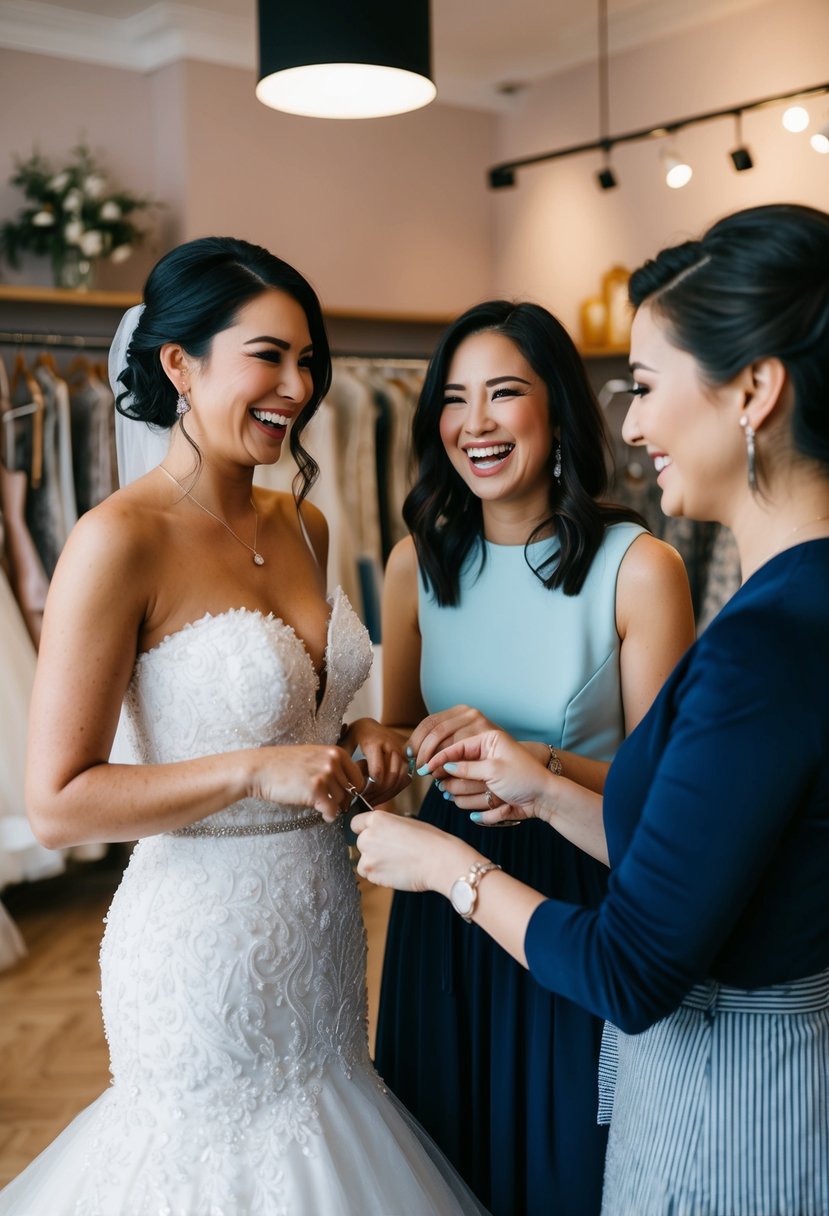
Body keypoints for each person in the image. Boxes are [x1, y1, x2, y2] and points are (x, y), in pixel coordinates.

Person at [354, 203, 829, 1216]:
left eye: (648, 387)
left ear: (752, 389)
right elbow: (695, 839)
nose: (634, 424)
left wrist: (449, 866)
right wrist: (532, 776)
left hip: (733, 1110)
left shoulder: (760, 637)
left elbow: (632, 964)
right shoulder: (785, 608)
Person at [0, 236, 489, 1216]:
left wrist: (362, 745)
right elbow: (56, 804)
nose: (299, 387)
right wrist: (252, 771)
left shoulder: (302, 522)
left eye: (309, 361)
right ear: (178, 362)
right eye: (269, 355)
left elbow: (315, 717)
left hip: (320, 932)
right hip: (196, 950)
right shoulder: (117, 541)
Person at [373, 300, 695, 1215]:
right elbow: (398, 734)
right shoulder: (415, 564)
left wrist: (537, 765)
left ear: (553, 409)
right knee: (437, 1149)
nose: (474, 423)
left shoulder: (639, 567)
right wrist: (381, 749)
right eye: (454, 398)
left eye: (503, 394)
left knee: (563, 1164)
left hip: (569, 899)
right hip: (442, 893)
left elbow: (662, 797)